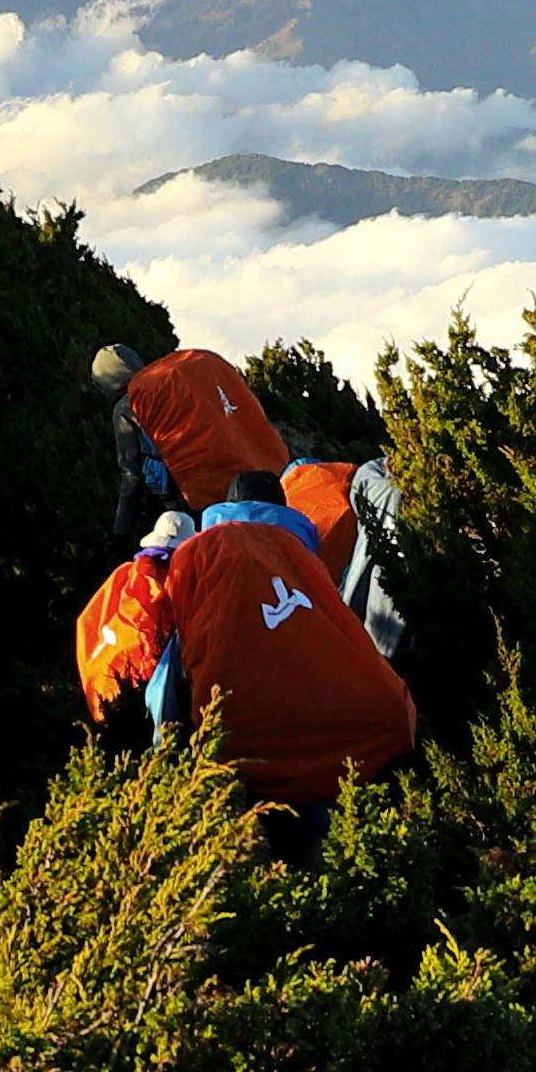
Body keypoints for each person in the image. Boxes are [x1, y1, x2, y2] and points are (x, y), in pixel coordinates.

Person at [74, 343, 417, 807]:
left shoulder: (132, 409)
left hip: (251, 766)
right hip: (368, 738)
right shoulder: (306, 554)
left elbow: (133, 477)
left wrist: (118, 533)